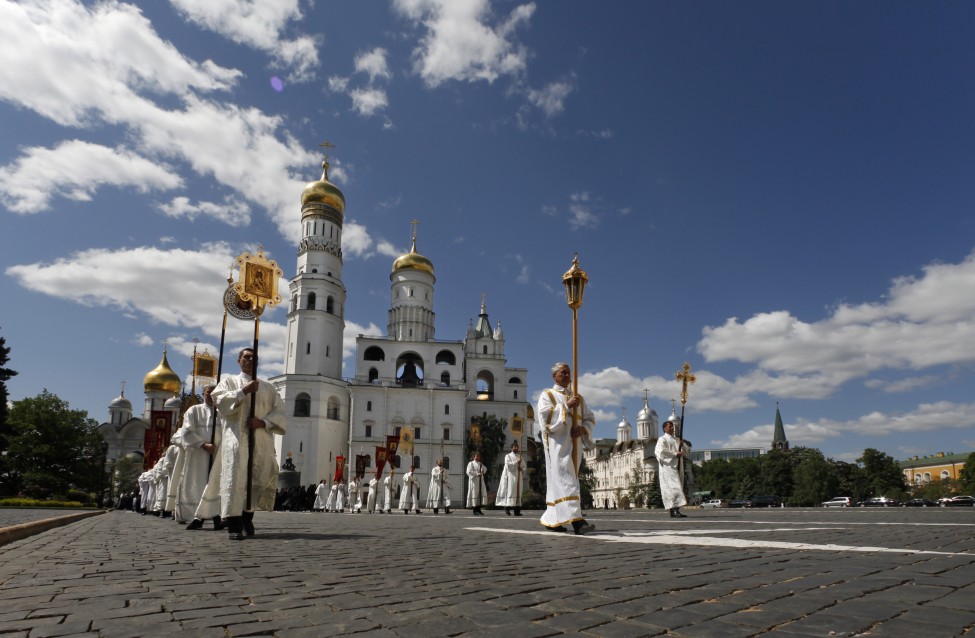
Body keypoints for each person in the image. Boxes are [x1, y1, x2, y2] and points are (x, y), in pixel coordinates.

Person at [211, 347, 286, 540]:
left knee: (256, 479)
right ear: (239, 360)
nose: (250, 360)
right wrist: (244, 391)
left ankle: (247, 518)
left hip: (261, 440)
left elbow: (279, 412)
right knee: (235, 479)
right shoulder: (229, 382)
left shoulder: (268, 388)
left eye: (254, 358)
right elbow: (219, 402)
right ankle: (234, 525)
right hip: (237, 439)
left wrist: (262, 422)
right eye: (246, 357)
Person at [536, 362, 596, 535]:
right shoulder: (548, 395)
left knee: (564, 480)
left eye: (569, 373)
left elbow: (590, 418)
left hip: (575, 446)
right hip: (557, 446)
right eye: (563, 373)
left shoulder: (579, 398)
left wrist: (583, 429)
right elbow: (545, 419)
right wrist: (567, 406)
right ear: (554, 376)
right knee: (567, 479)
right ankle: (578, 522)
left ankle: (552, 519)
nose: (567, 376)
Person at [181, 386, 223, 529]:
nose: (211, 396)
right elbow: (186, 432)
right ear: (203, 394)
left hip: (218, 455)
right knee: (200, 484)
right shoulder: (194, 411)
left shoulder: (222, 412)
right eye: (208, 393)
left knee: (216, 485)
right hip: (199, 455)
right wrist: (203, 444)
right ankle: (199, 517)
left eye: (215, 393)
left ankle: (218, 516)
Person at [655, 419, 688, 518]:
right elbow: (660, 452)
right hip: (668, 467)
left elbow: (684, 452)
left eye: (673, 426)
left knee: (678, 487)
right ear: (664, 428)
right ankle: (673, 510)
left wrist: (682, 446)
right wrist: (674, 454)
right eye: (670, 426)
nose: (672, 428)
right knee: (673, 488)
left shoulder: (676, 439)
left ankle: (675, 510)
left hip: (677, 466)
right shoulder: (662, 439)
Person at [496, 441, 523, 516]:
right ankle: (507, 507)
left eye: (517, 447)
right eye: (514, 447)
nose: (516, 448)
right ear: (511, 448)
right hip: (511, 477)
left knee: (518, 493)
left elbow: (524, 467)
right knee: (511, 492)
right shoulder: (508, 456)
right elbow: (508, 465)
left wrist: (522, 468)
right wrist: (516, 463)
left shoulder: (520, 456)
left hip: (518, 477)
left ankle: (517, 511)